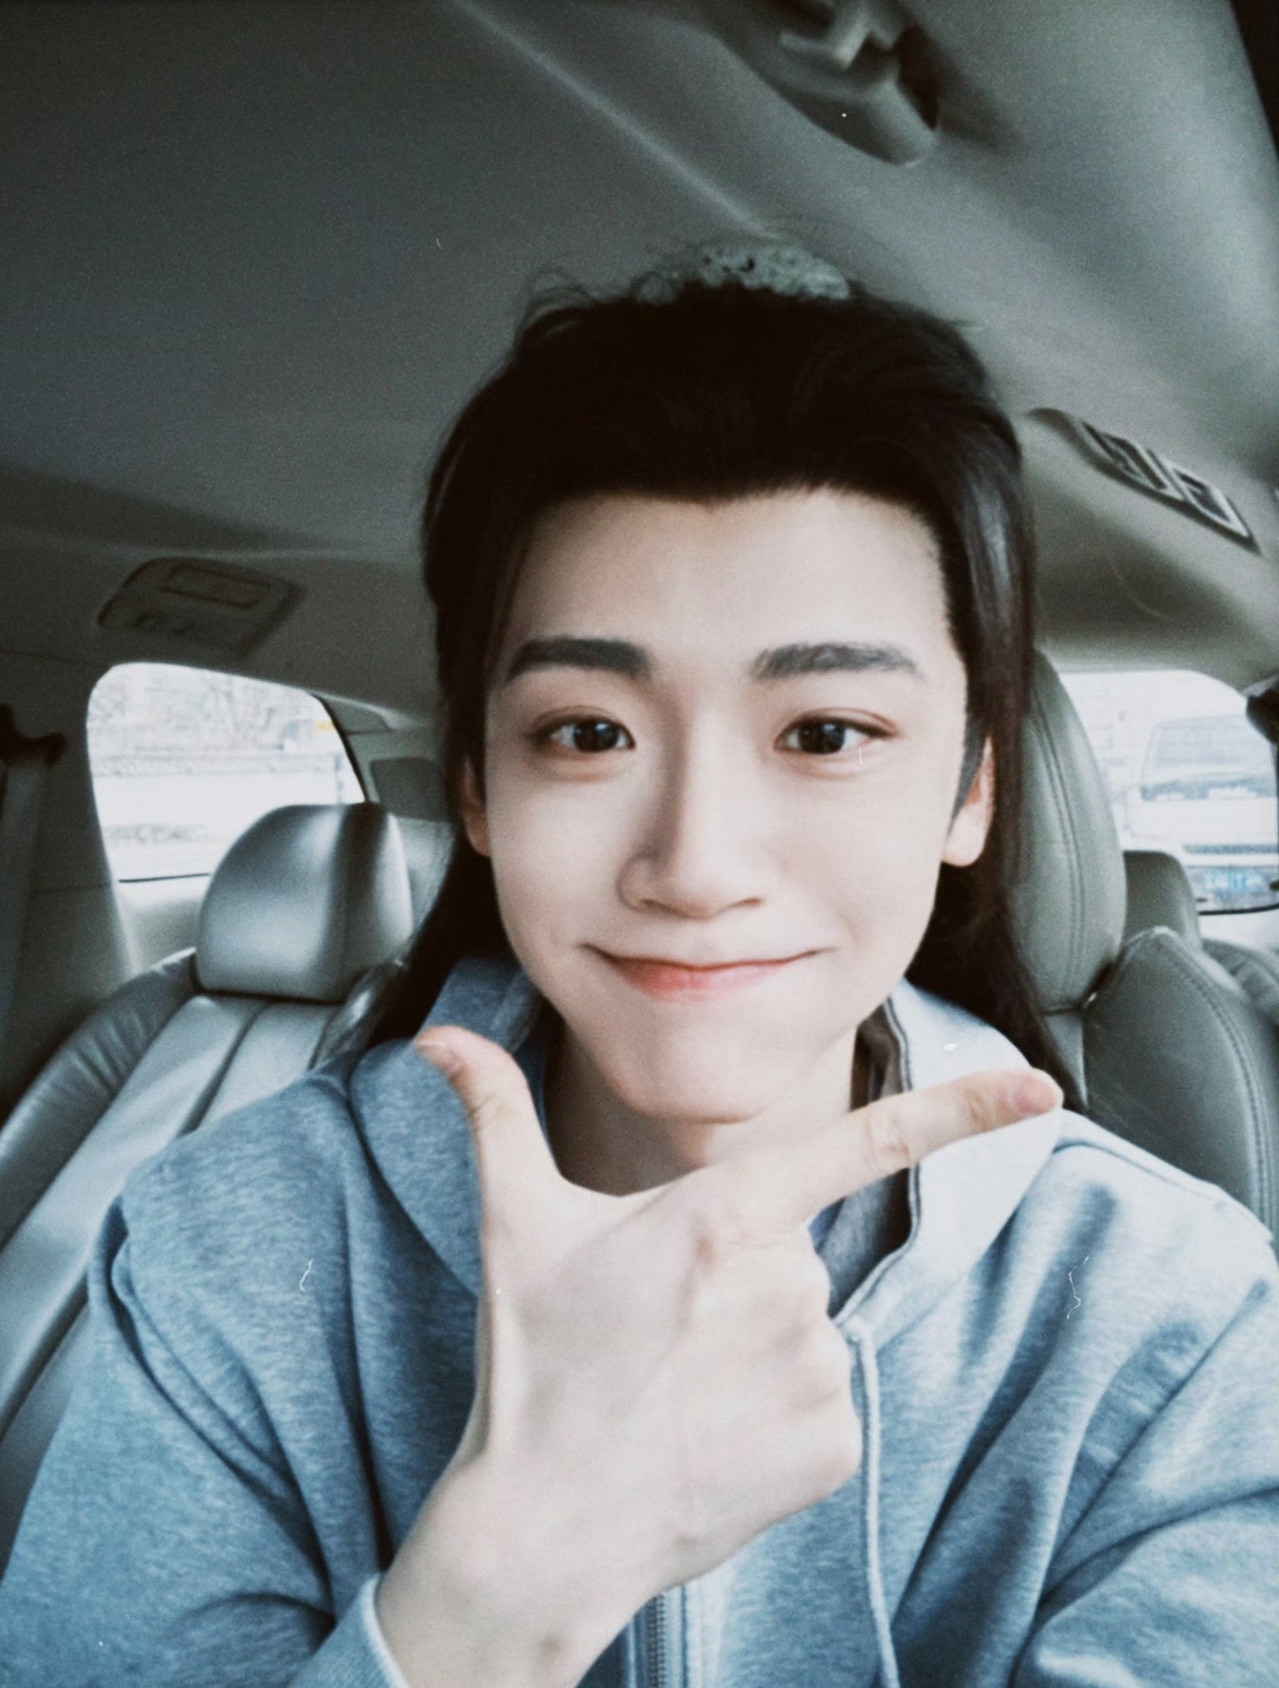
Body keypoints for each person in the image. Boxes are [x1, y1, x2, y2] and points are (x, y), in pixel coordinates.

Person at [0, 246, 1275, 1688]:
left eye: (827, 733)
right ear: (478, 789)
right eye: (589, 732)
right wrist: (498, 1598)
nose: (697, 864)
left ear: (970, 790)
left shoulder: (1175, 1318)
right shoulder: (230, 1248)